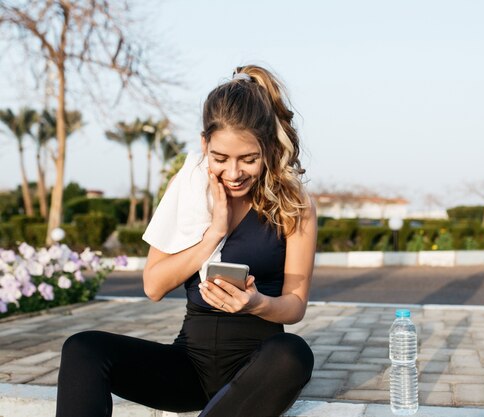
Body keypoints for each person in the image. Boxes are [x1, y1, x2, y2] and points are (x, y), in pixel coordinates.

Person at [55, 65, 317, 417]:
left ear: (269, 147)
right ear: (204, 143)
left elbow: (295, 304)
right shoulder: (189, 188)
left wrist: (254, 303)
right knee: (82, 348)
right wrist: (214, 234)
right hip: (189, 366)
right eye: (221, 158)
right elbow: (153, 285)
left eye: (249, 159)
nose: (234, 172)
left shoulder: (294, 203)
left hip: (258, 366)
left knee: (294, 353)